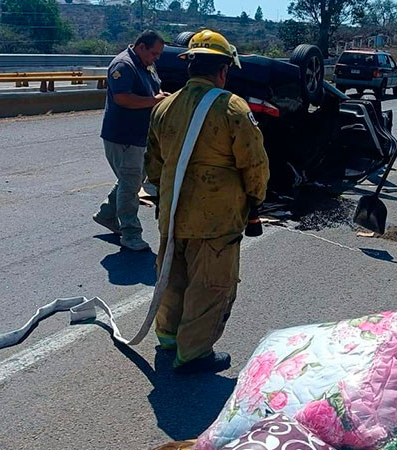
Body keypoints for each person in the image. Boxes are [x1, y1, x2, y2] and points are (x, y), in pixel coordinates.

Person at [145, 30, 270, 373]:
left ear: (190, 66)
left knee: (172, 274)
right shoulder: (232, 107)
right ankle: (194, 353)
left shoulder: (164, 107)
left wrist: (164, 199)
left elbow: (153, 165)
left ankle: (168, 337)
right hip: (216, 218)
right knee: (210, 285)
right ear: (223, 70)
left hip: (172, 213)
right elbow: (254, 164)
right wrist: (255, 201)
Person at [94, 30, 168, 251]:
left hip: (139, 136)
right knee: (130, 184)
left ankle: (107, 213)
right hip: (123, 136)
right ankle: (130, 233)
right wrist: (154, 101)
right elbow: (122, 98)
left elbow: (155, 88)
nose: (156, 58)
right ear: (141, 47)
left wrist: (161, 98)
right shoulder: (124, 66)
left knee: (132, 180)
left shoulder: (146, 65)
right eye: (153, 53)